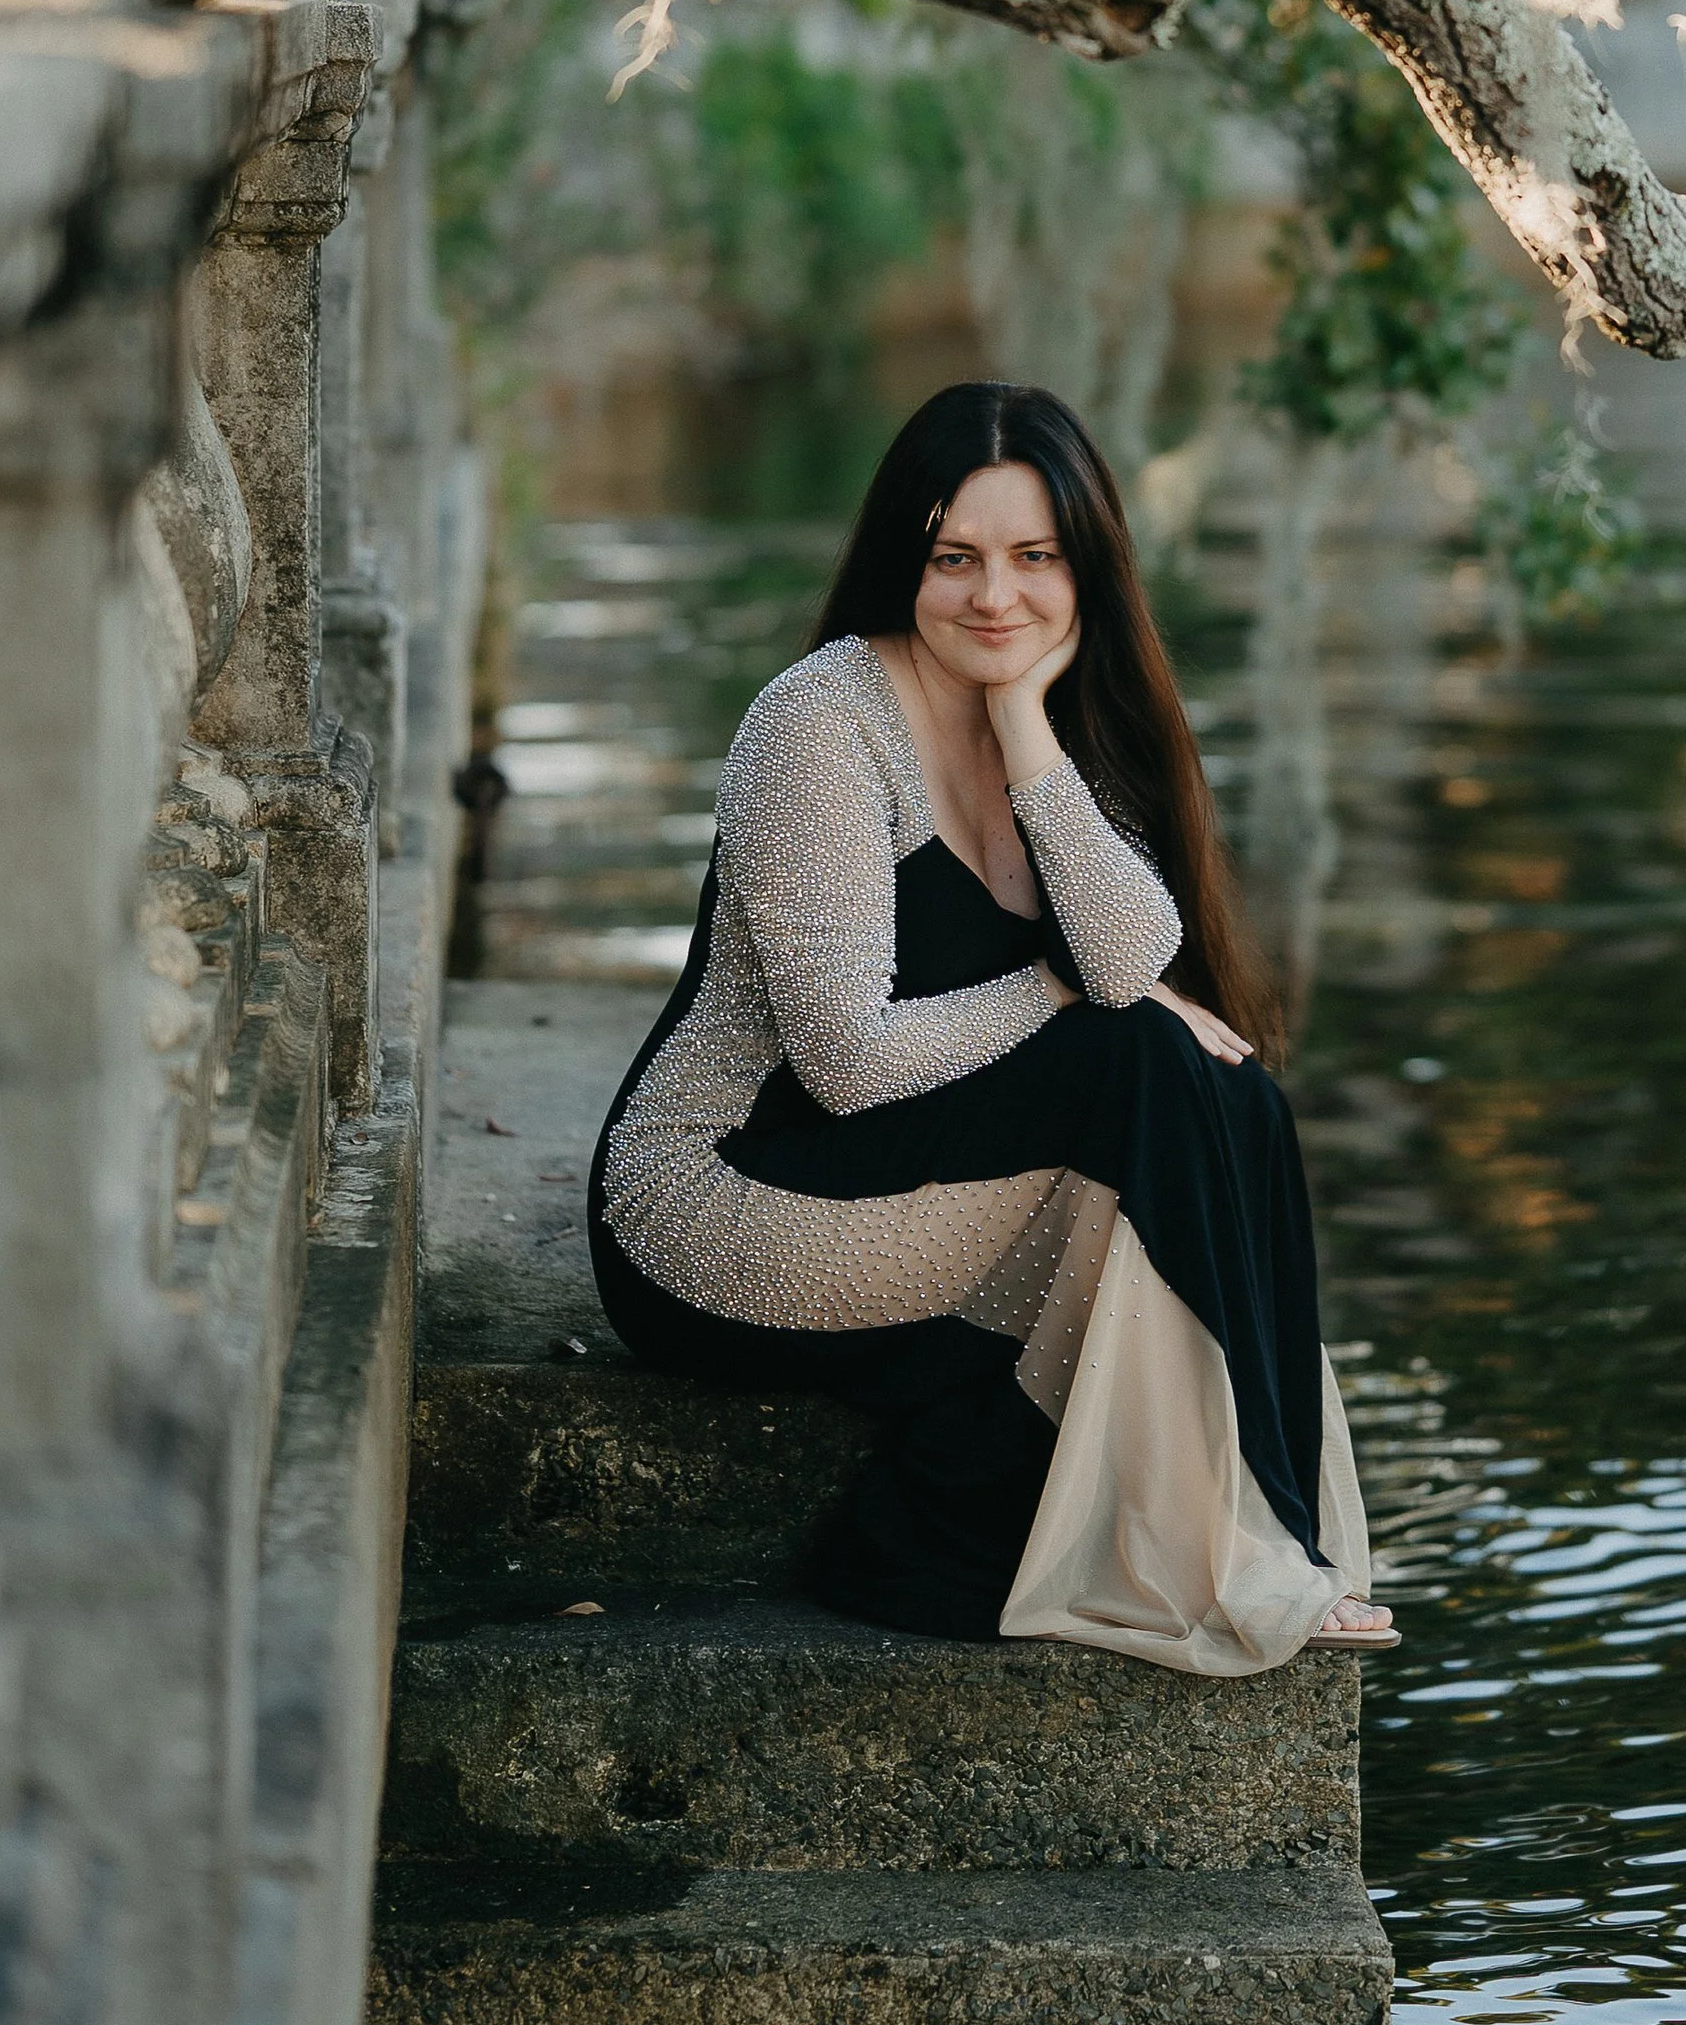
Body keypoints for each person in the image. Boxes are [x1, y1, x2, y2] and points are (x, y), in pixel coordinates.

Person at [589, 379, 1394, 1670]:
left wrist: (1025, 729)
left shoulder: (1059, 721)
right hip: (723, 1203)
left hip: (906, 1181)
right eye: (955, 557)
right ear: (904, 558)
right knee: (1137, 1059)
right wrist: (1056, 990)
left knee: (1231, 1088)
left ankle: (1256, 1527)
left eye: (1035, 559)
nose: (995, 597)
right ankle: (1247, 1548)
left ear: (1089, 569)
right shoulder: (822, 720)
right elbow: (850, 1061)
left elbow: (1134, 956)